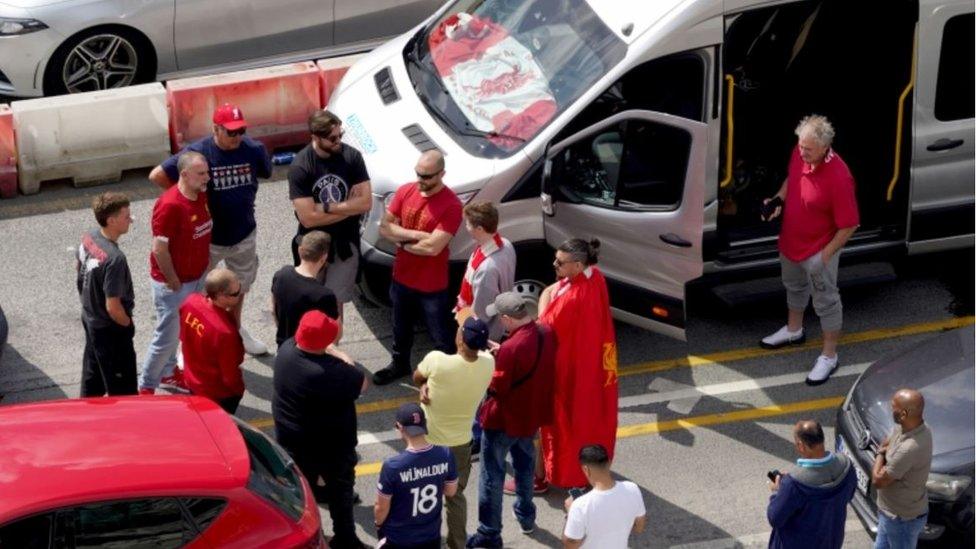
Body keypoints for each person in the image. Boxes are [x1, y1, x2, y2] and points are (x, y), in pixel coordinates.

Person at [149, 103, 272, 356]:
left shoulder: (254, 150)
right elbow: (157, 175)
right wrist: (185, 200)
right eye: (231, 132)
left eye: (241, 131)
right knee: (199, 294)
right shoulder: (199, 153)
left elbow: (266, 172)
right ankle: (192, 342)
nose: (237, 137)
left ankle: (234, 329)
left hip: (244, 235)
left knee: (238, 288)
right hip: (208, 241)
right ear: (216, 129)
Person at [761, 114, 859, 385]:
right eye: (800, 146)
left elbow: (850, 225)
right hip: (791, 241)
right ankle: (794, 330)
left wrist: (824, 256)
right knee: (793, 286)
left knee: (826, 301)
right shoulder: (800, 152)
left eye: (808, 149)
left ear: (825, 147)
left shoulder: (839, 177)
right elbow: (792, 178)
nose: (801, 152)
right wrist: (778, 199)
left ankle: (829, 356)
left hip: (818, 249)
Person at [467, 292, 556, 548]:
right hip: (530, 417)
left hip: (503, 421)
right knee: (525, 466)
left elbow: (498, 387)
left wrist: (496, 359)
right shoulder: (545, 332)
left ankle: (489, 533)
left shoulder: (511, 348)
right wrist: (502, 351)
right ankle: (526, 516)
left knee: (490, 476)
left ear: (506, 318)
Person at [274, 310, 367, 549]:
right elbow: (362, 381)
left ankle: (310, 535)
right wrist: (337, 352)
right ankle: (346, 539)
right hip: (330, 446)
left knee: (303, 492)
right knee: (341, 491)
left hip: (293, 440)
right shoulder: (329, 372)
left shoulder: (285, 351)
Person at [373, 150, 463, 385]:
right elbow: (383, 228)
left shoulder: (451, 205)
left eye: (427, 176)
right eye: (418, 174)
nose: (421, 180)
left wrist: (400, 240)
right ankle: (400, 364)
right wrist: (414, 236)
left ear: (442, 174)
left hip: (431, 285)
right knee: (400, 328)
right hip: (402, 277)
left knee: (440, 335)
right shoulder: (406, 190)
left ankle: (446, 375)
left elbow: (433, 248)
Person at [537, 238, 618, 489]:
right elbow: (554, 288)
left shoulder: (572, 298)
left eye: (560, 262)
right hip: (593, 367)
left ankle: (551, 476)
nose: (554, 264)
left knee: (560, 423)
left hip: (570, 371)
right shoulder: (596, 278)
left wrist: (543, 297)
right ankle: (588, 472)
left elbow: (543, 325)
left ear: (578, 264)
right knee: (593, 420)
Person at [412, 317, 494, 549]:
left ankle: (424, 541)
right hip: (460, 444)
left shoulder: (437, 361)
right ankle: (457, 544)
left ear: (459, 338)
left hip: (429, 442)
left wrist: (423, 386)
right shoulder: (488, 363)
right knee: (455, 497)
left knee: (425, 494)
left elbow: (418, 376)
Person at [288, 109, 372, 330]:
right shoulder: (301, 166)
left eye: (340, 135)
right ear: (316, 137)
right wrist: (348, 209)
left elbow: (365, 204)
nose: (338, 141)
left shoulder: (352, 157)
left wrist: (325, 207)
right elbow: (307, 219)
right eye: (333, 138)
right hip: (313, 244)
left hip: (345, 244)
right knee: (310, 302)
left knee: (334, 305)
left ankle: (333, 351)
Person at [140, 151, 212, 395]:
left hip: (195, 277)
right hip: (175, 284)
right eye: (201, 174)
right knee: (167, 337)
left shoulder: (200, 194)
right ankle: (146, 386)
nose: (207, 178)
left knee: (179, 332)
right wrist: (172, 279)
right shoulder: (170, 205)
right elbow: (160, 249)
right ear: (184, 174)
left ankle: (169, 373)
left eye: (207, 172)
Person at [76, 192, 136, 397]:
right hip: (110, 329)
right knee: (123, 388)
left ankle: (87, 413)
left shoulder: (90, 237)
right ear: (111, 221)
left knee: (93, 377)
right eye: (126, 216)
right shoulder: (115, 259)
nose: (131, 219)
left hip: (91, 319)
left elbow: (78, 266)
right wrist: (127, 325)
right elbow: (113, 306)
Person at [375, 403, 459, 549]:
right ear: (424, 425)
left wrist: (378, 523)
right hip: (431, 536)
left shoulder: (393, 466)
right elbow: (451, 491)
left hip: (399, 539)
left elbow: (381, 508)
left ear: (400, 427)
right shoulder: (446, 454)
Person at [766, 420, 856, 549]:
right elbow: (849, 495)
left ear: (801, 445)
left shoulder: (793, 484)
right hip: (831, 542)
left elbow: (774, 518)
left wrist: (777, 491)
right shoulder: (846, 466)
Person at [871, 389, 932, 549]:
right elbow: (889, 439)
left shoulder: (909, 448)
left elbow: (878, 481)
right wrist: (886, 448)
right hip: (889, 513)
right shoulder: (911, 427)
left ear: (904, 413)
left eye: (893, 407)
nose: (890, 410)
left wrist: (879, 454)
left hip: (901, 520)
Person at [179, 268, 245, 414]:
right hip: (216, 393)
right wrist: (238, 390)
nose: (240, 295)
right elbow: (229, 375)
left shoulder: (191, 302)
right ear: (221, 296)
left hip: (192, 380)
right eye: (235, 293)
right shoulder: (224, 333)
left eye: (239, 288)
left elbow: (183, 336)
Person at [562, 444, 646, 548]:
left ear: (586, 469)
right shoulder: (632, 488)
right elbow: (639, 527)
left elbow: (571, 544)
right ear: (609, 463)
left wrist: (570, 514)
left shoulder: (579, 505)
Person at [454, 201, 516, 341]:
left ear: (480, 229)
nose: (466, 227)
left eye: (468, 224)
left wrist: (465, 321)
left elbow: (482, 312)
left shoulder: (486, 270)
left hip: (484, 333)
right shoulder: (506, 244)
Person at [271, 230, 339, 347]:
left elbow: (273, 310)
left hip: (284, 347)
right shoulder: (324, 295)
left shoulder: (281, 274)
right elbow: (336, 333)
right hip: (309, 353)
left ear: (299, 250)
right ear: (323, 258)